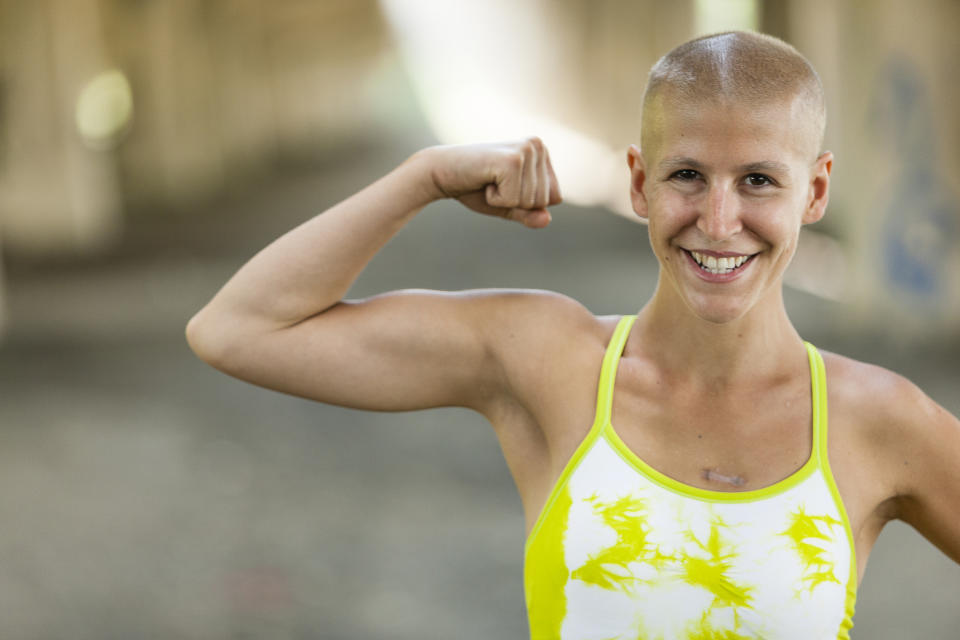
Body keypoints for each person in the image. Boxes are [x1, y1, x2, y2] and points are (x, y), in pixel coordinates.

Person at [185, 31, 960, 639]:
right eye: (686, 175)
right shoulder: (547, 358)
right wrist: (420, 178)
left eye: (758, 180)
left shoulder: (878, 420)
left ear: (815, 190)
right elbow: (240, 329)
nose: (719, 222)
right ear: (638, 182)